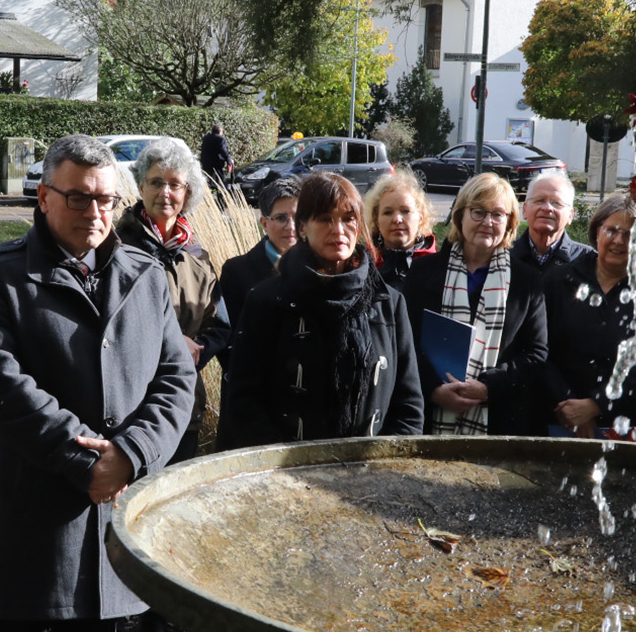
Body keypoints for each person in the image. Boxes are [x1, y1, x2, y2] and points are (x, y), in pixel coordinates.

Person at [0, 134, 193, 632]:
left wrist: (131, 455)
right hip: (27, 528)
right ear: (43, 197)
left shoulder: (145, 275)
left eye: (107, 200)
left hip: (108, 532)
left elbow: (176, 379)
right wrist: (88, 462)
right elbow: (0, 384)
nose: (95, 212)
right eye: (78, 198)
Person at [218, 171, 423, 449]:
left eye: (348, 219)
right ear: (303, 227)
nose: (338, 231)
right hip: (287, 477)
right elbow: (244, 403)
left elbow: (408, 407)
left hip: (370, 476)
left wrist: (382, 466)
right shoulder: (266, 302)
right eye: (325, 219)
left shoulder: (388, 303)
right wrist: (286, 471)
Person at [400, 172, 548, 435]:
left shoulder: (527, 281)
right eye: (478, 212)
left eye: (498, 214)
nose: (487, 222)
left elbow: (536, 355)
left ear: (510, 223)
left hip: (498, 422)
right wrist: (434, 389)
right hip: (428, 416)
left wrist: (488, 387)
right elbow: (404, 343)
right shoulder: (423, 272)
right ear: (460, 215)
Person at [114, 137, 230, 463]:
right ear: (140, 186)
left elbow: (220, 326)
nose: (165, 192)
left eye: (175, 185)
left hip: (184, 406)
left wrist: (197, 349)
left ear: (186, 193)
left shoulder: (197, 257)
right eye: (156, 183)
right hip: (130, 407)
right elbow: (108, 325)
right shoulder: (116, 250)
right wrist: (173, 344)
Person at [539, 191, 636, 441]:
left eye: (629, 235)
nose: (618, 240)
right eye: (611, 230)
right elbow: (538, 348)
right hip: (557, 417)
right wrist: (570, 405)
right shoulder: (558, 280)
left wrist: (596, 405)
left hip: (627, 427)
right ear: (597, 232)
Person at [217, 176, 299, 342]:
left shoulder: (319, 266)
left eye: (298, 217)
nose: (291, 227)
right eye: (281, 218)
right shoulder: (236, 272)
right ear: (264, 223)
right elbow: (230, 338)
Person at [511, 172, 592, 300]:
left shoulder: (588, 261)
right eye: (539, 200)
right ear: (524, 209)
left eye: (556, 203)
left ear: (570, 215)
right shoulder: (504, 257)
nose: (547, 208)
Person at [362, 167, 436, 289]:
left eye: (405, 211)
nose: (397, 219)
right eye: (388, 212)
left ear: (421, 217)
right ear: (376, 220)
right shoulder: (363, 266)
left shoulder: (436, 267)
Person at [199, 123, 231, 188]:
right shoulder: (221, 139)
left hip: (206, 163)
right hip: (217, 163)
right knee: (221, 180)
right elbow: (223, 150)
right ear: (219, 131)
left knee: (208, 179)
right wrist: (228, 160)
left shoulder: (206, 138)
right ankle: (220, 193)